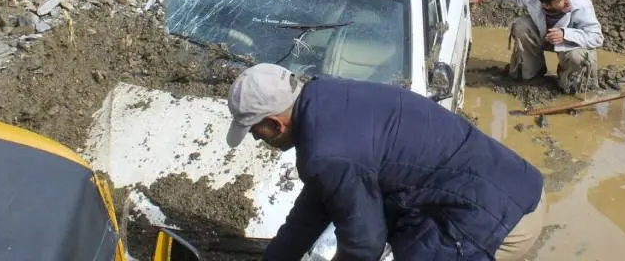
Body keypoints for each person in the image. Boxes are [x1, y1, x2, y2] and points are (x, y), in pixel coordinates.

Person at [226, 64, 547, 261]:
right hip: (510, 188)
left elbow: (364, 244)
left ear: (275, 123)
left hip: (499, 221)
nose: (256, 138)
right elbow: (316, 206)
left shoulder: (327, 153)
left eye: (255, 130)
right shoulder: (324, 100)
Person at [470, 0, 603, 95]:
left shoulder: (582, 5)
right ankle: (531, 75)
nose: (567, 1)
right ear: (545, 4)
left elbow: (597, 37)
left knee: (578, 57)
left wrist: (565, 34)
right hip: (544, 35)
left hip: (569, 45)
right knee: (521, 26)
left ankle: (568, 83)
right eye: (561, 0)